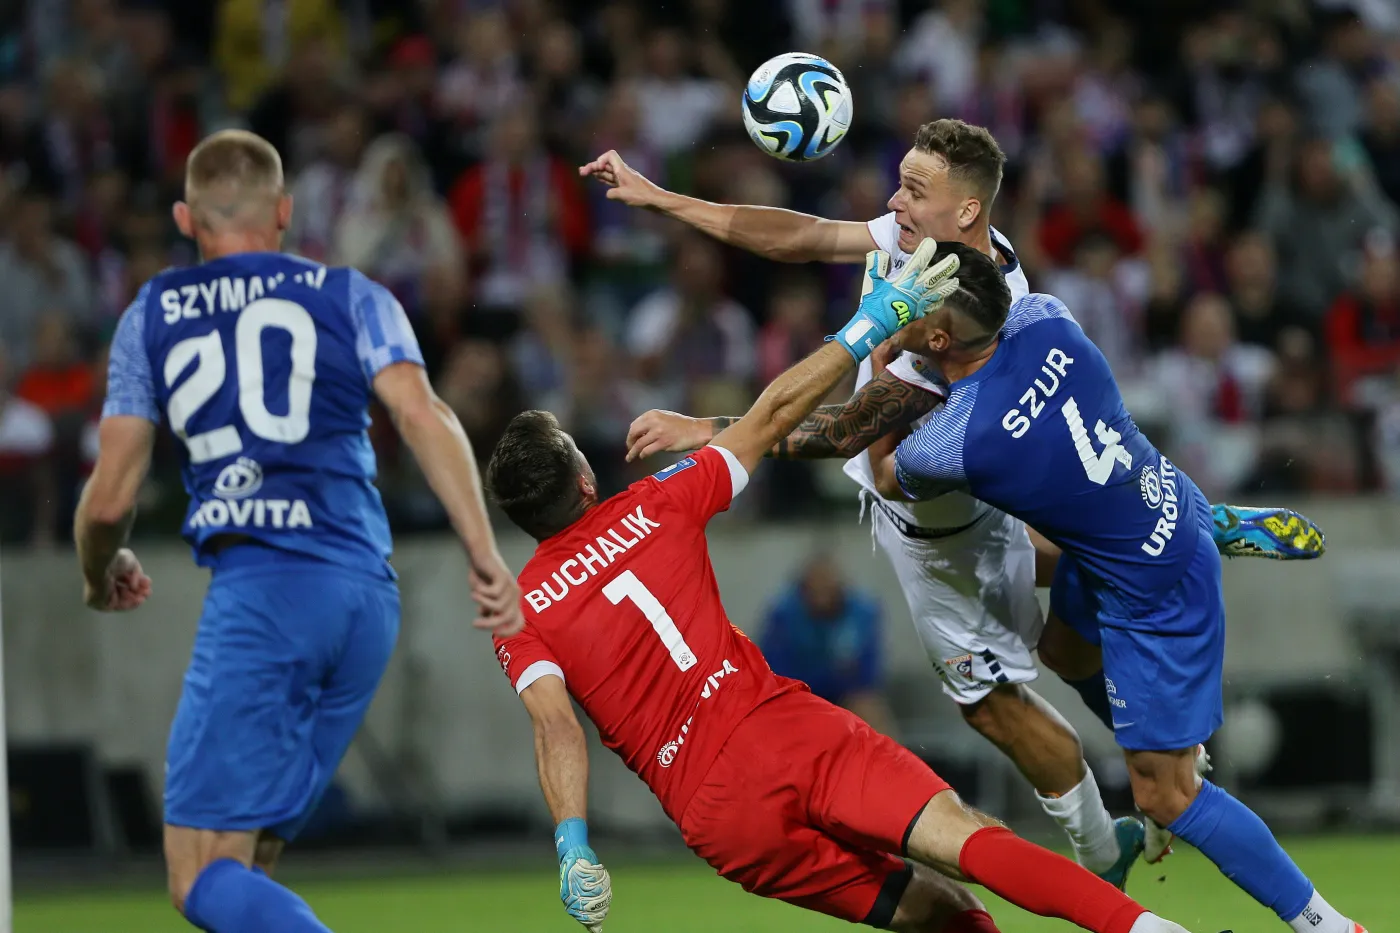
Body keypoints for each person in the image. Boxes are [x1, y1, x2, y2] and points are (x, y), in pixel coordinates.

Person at [597, 118, 1324, 882]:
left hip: (937, 516)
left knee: (988, 699)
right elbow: (804, 236)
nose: (894, 201)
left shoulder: (946, 318)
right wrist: (665, 199)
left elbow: (854, 441)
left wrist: (713, 430)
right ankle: (1193, 526)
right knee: (1060, 618)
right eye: (902, 182)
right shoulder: (936, 248)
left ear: (968, 210)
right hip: (999, 489)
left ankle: (1098, 848)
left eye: (913, 189)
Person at [487, 240, 1198, 933]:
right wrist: (872, 323)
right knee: (967, 840)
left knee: (940, 914)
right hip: (776, 728)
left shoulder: (519, 611)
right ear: (584, 478)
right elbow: (771, 416)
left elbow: (555, 725)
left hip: (718, 816)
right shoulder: (655, 502)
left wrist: (573, 842)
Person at [74, 130, 521, 933]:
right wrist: (485, 554)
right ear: (285, 211)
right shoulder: (353, 294)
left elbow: (108, 501)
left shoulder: (154, 314)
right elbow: (424, 414)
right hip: (363, 601)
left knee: (198, 873)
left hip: (266, 596)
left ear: (185, 216)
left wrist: (96, 567)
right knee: (244, 871)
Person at [872, 241, 1367, 933]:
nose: (894, 306)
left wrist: (874, 353)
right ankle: (1209, 521)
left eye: (909, 305)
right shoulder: (1046, 317)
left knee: (1164, 794)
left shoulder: (953, 440)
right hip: (1146, 506)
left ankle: (1329, 925)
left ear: (937, 337)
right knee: (1065, 650)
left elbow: (886, 470)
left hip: (1152, 587)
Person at [760, 553, 896, 736]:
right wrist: (834, 674)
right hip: (798, 696)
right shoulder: (783, 616)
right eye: (815, 585)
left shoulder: (863, 614)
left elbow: (868, 675)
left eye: (827, 583)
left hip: (846, 696)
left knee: (869, 708)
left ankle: (886, 764)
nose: (821, 590)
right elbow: (775, 671)